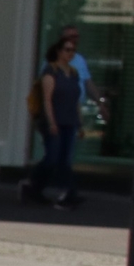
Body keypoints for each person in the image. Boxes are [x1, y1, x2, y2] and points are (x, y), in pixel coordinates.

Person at [27, 35, 85, 209]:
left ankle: (69, 193)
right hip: (54, 121)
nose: (70, 53)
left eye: (73, 50)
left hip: (69, 121)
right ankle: (35, 184)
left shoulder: (73, 73)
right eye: (67, 50)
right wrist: (51, 122)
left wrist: (80, 124)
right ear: (59, 51)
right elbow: (47, 100)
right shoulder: (50, 72)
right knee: (52, 157)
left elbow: (76, 101)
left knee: (65, 160)